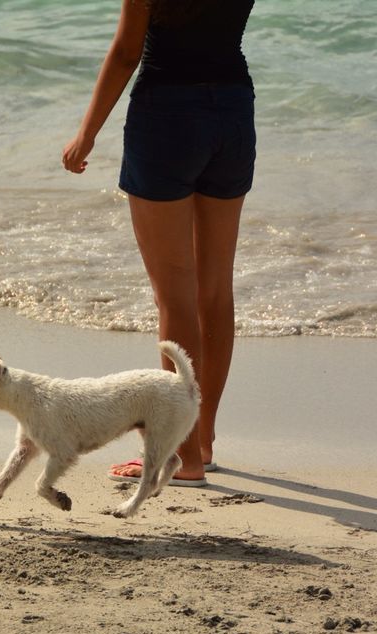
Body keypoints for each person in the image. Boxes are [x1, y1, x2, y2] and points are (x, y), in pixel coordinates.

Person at [63, 0, 255, 485]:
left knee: (174, 296)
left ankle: (180, 456)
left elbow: (128, 51)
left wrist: (87, 133)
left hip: (166, 117)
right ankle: (204, 440)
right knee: (215, 291)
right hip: (232, 111)